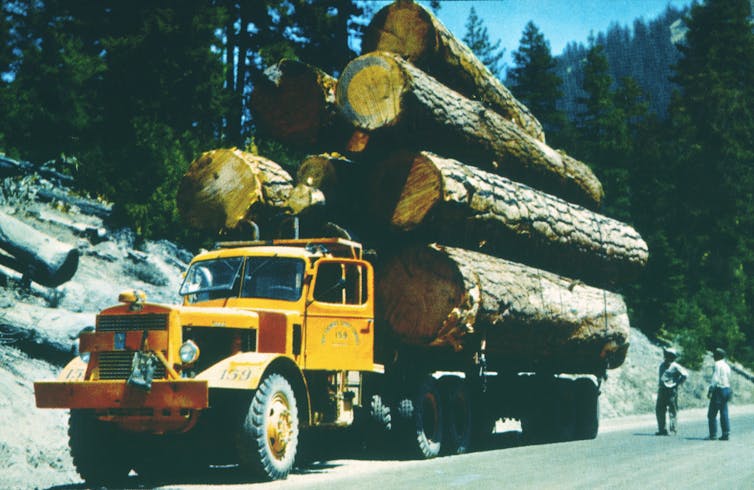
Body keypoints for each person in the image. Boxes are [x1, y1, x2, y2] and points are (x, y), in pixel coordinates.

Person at [655, 347, 688, 435]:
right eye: (666, 355)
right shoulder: (662, 365)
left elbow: (685, 374)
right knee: (660, 409)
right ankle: (662, 429)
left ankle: (673, 430)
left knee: (672, 410)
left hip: (671, 390)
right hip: (662, 390)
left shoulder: (675, 366)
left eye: (669, 356)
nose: (666, 357)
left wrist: (677, 383)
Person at [707, 348, 732, 440]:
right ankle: (726, 433)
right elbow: (729, 378)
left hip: (719, 389)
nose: (713, 357)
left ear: (718, 356)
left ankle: (713, 434)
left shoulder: (717, 364)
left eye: (715, 356)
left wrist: (710, 390)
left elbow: (715, 378)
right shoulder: (726, 365)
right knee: (724, 411)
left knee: (712, 413)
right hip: (726, 388)